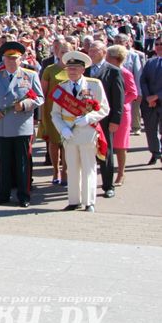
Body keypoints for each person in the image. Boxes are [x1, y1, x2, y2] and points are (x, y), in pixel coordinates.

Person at [0, 41, 44, 208]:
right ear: (3, 60)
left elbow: (40, 98)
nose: (11, 61)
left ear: (21, 59)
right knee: (3, 163)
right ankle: (3, 195)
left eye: (15, 58)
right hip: (1, 126)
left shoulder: (30, 76)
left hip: (21, 126)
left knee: (22, 163)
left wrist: (25, 105)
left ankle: (23, 196)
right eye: (8, 58)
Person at [51, 51, 109, 212]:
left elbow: (104, 108)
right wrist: (62, 128)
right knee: (72, 167)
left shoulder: (94, 85)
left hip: (87, 131)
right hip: (68, 133)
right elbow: (54, 114)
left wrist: (89, 118)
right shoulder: (61, 88)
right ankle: (74, 200)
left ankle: (89, 201)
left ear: (83, 69)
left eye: (76, 68)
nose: (72, 71)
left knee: (88, 167)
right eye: (69, 68)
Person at [86, 41, 124, 198]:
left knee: (106, 152)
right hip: (87, 118)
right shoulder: (85, 70)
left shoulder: (113, 71)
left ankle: (108, 185)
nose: (92, 53)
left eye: (95, 51)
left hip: (106, 119)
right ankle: (88, 185)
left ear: (104, 52)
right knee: (88, 151)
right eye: (90, 51)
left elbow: (118, 97)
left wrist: (116, 119)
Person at [39, 39, 72, 185]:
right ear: (57, 53)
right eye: (62, 51)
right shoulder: (50, 69)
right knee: (53, 142)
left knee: (66, 142)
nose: (64, 54)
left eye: (67, 51)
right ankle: (55, 170)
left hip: (70, 111)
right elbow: (43, 93)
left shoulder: (75, 69)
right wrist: (41, 115)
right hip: (52, 111)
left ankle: (65, 170)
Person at [106, 45, 139, 186]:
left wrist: (118, 102)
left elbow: (133, 93)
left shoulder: (125, 73)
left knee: (120, 146)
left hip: (122, 113)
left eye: (108, 56)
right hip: (107, 111)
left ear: (115, 58)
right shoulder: (107, 71)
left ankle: (121, 173)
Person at [139, 37, 162, 165]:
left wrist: (157, 96)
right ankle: (155, 152)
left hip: (159, 99)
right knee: (150, 130)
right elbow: (143, 80)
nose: (158, 46)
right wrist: (148, 97)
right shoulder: (150, 62)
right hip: (150, 103)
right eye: (157, 44)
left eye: (161, 44)